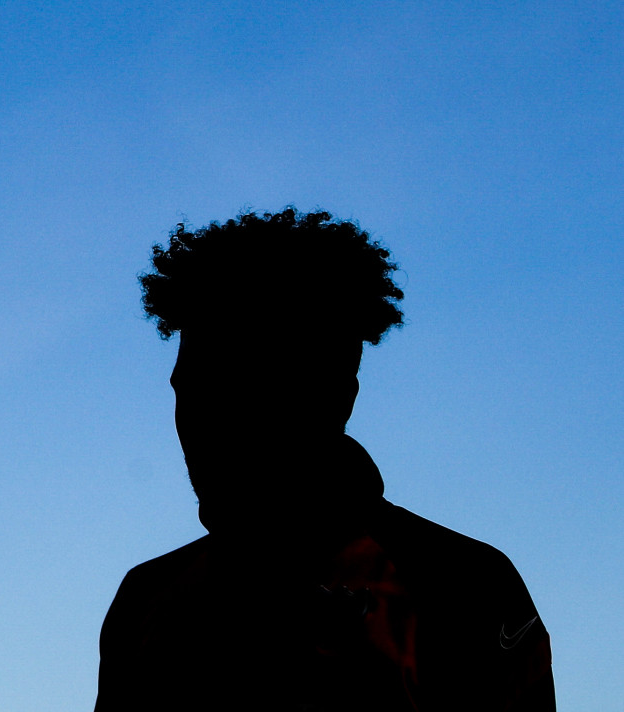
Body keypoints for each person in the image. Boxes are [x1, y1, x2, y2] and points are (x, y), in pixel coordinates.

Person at [96, 209, 555, 711]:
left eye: (245, 390)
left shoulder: (461, 585)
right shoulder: (147, 598)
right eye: (193, 390)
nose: (207, 425)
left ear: (335, 398)